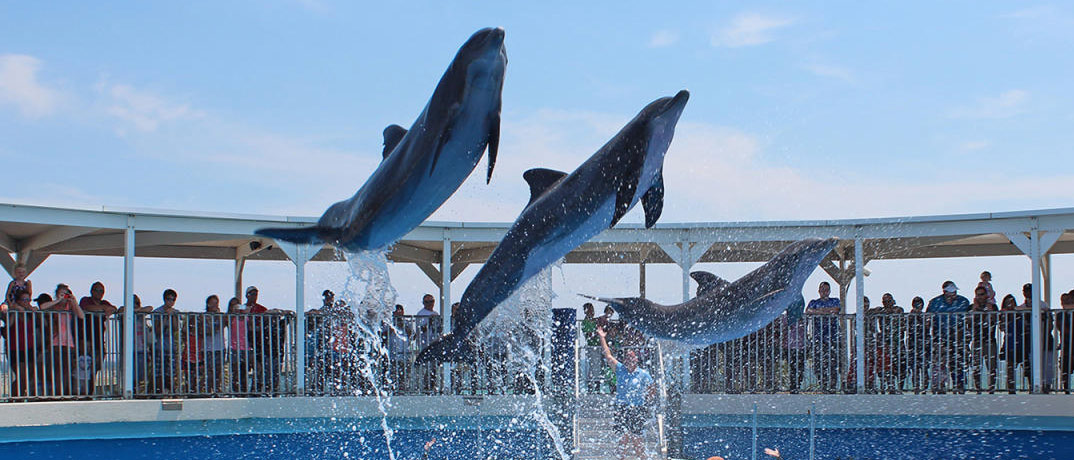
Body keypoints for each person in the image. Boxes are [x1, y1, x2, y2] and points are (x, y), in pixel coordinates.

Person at [596, 325, 655, 460]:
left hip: (637, 409)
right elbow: (608, 355)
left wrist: (647, 399)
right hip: (621, 408)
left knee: (637, 442)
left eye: (632, 358)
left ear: (636, 360)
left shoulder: (643, 374)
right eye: (627, 358)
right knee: (622, 440)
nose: (629, 360)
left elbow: (652, 388)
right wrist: (602, 337)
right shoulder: (620, 369)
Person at [926, 281, 970, 392]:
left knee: (957, 362)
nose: (953, 294)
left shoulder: (963, 301)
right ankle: (940, 385)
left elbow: (969, 318)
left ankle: (959, 384)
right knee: (940, 362)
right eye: (951, 291)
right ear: (945, 291)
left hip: (958, 337)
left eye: (954, 291)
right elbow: (928, 318)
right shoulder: (935, 302)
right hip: (940, 337)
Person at [41, 284, 85, 396]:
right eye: (61, 293)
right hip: (55, 344)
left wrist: (73, 300)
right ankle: (56, 393)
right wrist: (58, 300)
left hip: (68, 344)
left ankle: (63, 393)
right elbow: (43, 307)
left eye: (66, 293)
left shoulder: (69, 307)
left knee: (66, 371)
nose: (64, 296)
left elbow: (81, 315)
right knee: (56, 371)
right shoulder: (53, 307)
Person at [77, 281, 118, 395]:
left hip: (99, 339)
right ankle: (82, 392)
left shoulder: (104, 302)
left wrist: (104, 308)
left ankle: (90, 391)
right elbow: (88, 308)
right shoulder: (86, 300)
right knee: (84, 367)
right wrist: (103, 308)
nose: (100, 293)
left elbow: (113, 308)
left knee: (97, 366)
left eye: (102, 291)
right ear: (92, 291)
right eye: (97, 290)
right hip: (86, 338)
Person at [806, 281, 841, 392]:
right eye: (822, 290)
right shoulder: (814, 302)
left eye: (826, 290)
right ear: (819, 291)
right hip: (818, 339)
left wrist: (819, 311)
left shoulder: (835, 300)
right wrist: (826, 311)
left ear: (829, 291)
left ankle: (833, 386)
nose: (824, 292)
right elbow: (808, 311)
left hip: (833, 338)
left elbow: (835, 310)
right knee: (818, 364)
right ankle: (823, 384)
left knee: (833, 364)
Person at [5, 290, 40, 398]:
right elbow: (8, 326)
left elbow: (41, 325)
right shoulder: (14, 312)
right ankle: (14, 397)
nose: (26, 302)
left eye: (28, 300)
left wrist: (33, 312)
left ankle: (19, 396)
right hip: (15, 348)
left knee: (28, 376)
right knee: (22, 375)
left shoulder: (30, 314)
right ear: (18, 301)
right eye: (24, 300)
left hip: (29, 348)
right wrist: (16, 311)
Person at [968, 286, 998, 393]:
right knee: (976, 366)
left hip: (990, 340)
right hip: (976, 340)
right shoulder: (971, 307)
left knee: (992, 366)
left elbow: (995, 320)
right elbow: (968, 322)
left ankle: (992, 388)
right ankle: (978, 388)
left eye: (982, 294)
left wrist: (988, 312)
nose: (980, 297)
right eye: (978, 295)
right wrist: (975, 311)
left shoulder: (993, 307)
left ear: (986, 295)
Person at [153, 289, 180, 394]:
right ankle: (159, 392)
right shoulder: (157, 312)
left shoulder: (175, 312)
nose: (171, 302)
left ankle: (171, 392)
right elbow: (157, 331)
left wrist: (172, 316)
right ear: (164, 299)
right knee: (159, 373)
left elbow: (176, 328)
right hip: (159, 347)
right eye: (169, 299)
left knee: (170, 373)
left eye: (173, 299)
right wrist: (165, 316)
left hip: (171, 347)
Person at [1001, 294, 1029, 393]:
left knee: (1027, 368)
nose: (1010, 304)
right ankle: (1011, 390)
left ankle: (1032, 388)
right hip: (1010, 344)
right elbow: (1002, 327)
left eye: (1012, 302)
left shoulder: (1019, 313)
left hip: (1021, 343)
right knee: (1010, 369)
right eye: (1008, 303)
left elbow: (1025, 326)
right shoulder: (1004, 315)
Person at [227, 297, 252, 394]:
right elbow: (226, 323)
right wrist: (233, 313)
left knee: (245, 371)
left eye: (237, 304)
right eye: (233, 305)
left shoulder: (245, 316)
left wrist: (246, 313)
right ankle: (236, 392)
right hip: (234, 348)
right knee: (236, 372)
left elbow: (251, 327)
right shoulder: (231, 317)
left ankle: (246, 391)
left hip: (246, 347)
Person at [905, 296, 929, 393]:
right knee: (914, 368)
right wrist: (912, 316)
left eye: (919, 304)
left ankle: (925, 387)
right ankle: (916, 387)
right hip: (912, 343)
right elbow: (905, 326)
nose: (917, 306)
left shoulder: (925, 316)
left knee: (924, 367)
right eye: (916, 304)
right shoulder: (910, 316)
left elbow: (928, 325)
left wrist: (920, 316)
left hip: (923, 343)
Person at [580, 302, 603, 392]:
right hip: (592, 346)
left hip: (598, 346)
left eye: (592, 310)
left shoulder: (595, 321)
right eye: (590, 310)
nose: (592, 312)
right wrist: (598, 333)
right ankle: (591, 387)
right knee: (594, 366)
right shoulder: (585, 323)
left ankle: (597, 386)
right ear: (586, 311)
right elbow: (589, 334)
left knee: (598, 366)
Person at [1057, 293, 1074, 393]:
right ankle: (1066, 390)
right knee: (1065, 369)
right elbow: (1063, 329)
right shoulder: (1061, 315)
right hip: (1067, 346)